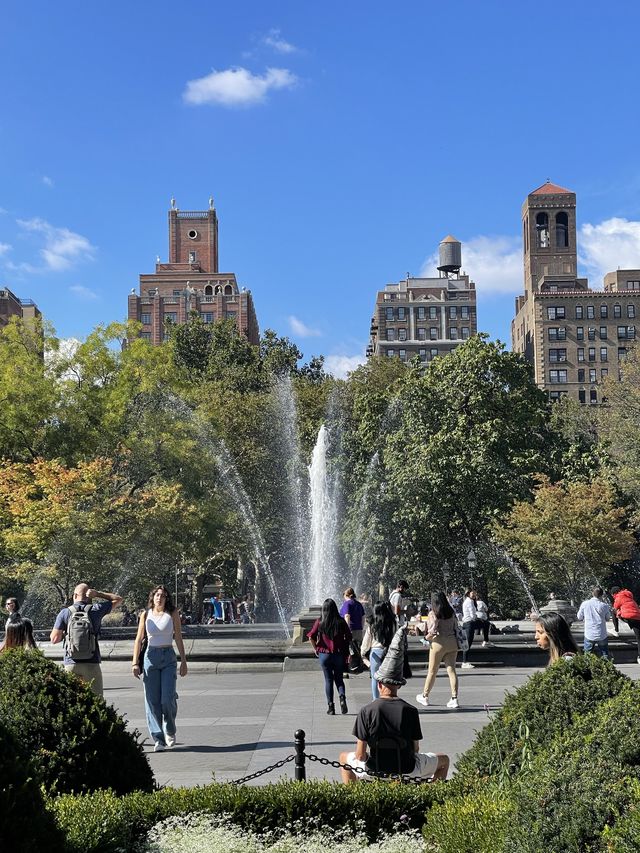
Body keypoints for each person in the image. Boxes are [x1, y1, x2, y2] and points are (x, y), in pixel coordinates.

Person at [339, 626, 449, 783]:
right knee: (443, 760)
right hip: (408, 769)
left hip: (374, 769)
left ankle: (353, 797)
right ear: (398, 685)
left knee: (344, 758)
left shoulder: (366, 711)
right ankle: (429, 796)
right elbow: (416, 749)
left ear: (379, 685)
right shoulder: (410, 710)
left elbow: (360, 755)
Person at [132, 585, 188, 752]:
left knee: (167, 699)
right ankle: (158, 738)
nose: (160, 598)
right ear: (152, 597)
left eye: (163, 596)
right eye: (157, 595)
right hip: (151, 658)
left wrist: (184, 661)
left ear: (166, 598)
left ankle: (170, 729)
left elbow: (178, 637)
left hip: (168, 657)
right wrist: (135, 663)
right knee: (152, 701)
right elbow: (138, 639)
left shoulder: (172, 613)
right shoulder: (146, 614)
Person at [50, 584, 123, 697]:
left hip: (71, 663)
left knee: (72, 701)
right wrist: (98, 593)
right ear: (90, 596)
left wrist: (67, 634)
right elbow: (118, 599)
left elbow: (54, 639)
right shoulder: (96, 609)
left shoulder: (65, 612)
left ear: (74, 595)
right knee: (96, 701)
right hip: (91, 662)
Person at [416, 591, 460, 709]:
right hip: (452, 643)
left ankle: (425, 696)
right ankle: (454, 698)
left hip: (438, 643)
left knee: (432, 671)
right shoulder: (451, 612)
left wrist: (425, 638)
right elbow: (456, 626)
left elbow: (432, 630)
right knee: (451, 670)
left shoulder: (433, 613)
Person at [308, 598, 352, 715]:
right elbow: (349, 637)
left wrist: (316, 648)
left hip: (324, 654)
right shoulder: (341, 621)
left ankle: (331, 707)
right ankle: (342, 697)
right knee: (339, 679)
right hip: (338, 654)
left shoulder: (320, 621)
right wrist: (346, 651)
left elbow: (310, 636)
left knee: (328, 680)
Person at [360, 601, 395, 700]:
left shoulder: (372, 625)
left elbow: (366, 641)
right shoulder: (392, 623)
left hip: (375, 653)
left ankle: (376, 700)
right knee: (388, 678)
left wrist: (362, 653)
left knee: (375, 679)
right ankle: (388, 697)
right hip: (389, 652)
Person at [576, 586, 611, 659]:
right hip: (601, 634)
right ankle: (607, 668)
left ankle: (587, 669)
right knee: (605, 654)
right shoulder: (605, 606)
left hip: (589, 633)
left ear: (592, 593)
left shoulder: (585, 604)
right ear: (602, 595)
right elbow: (607, 618)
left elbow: (579, 617)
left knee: (587, 655)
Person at [611, 586, 640, 664]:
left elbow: (615, 608)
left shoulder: (618, 597)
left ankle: (616, 630)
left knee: (613, 611)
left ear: (614, 593)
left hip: (628, 617)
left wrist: (618, 613)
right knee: (639, 638)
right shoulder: (630, 596)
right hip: (637, 617)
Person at [461, 589, 484, 669]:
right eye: (473, 593)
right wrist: (476, 618)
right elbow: (472, 614)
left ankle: (486, 640)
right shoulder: (469, 602)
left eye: (475, 593)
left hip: (467, 623)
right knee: (467, 644)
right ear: (468, 593)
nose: (474, 594)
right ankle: (464, 662)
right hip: (469, 623)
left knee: (486, 624)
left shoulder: (469, 601)